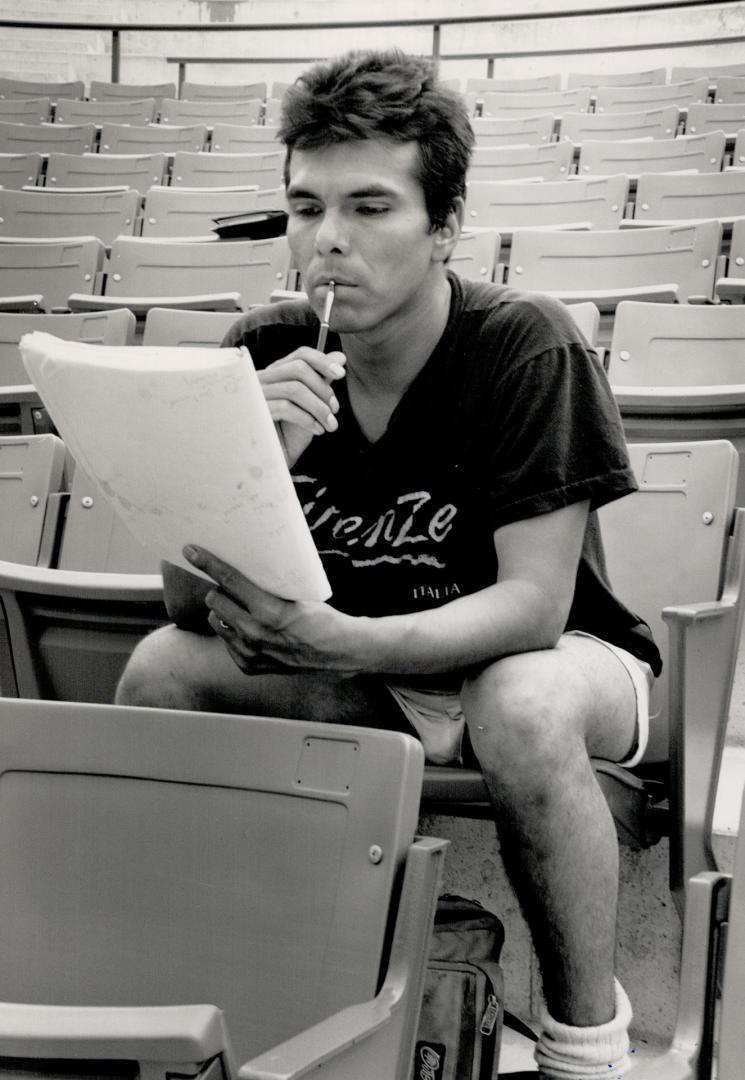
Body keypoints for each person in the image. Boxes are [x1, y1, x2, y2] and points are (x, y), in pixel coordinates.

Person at [116, 49, 662, 1079]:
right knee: (159, 672)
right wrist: (249, 471)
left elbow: (534, 609)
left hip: (557, 664)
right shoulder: (263, 346)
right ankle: (229, 986)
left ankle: (587, 1044)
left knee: (519, 702)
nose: (327, 242)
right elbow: (186, 602)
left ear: (443, 227)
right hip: (366, 674)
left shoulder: (526, 345)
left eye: (369, 207)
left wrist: (347, 639)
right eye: (306, 207)